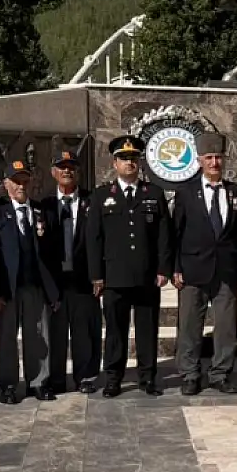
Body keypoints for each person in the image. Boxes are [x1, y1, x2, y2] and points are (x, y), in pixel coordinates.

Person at [86, 135, 174, 397]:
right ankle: (114, 377)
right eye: (124, 159)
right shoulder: (102, 195)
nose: (130, 163)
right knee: (115, 330)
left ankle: (148, 377)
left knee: (147, 329)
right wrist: (96, 276)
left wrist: (163, 269)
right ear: (114, 163)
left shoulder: (153, 193)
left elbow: (164, 235)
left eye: (134, 158)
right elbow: (94, 238)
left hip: (147, 275)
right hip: (115, 276)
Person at [171, 133, 237, 395]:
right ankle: (190, 374)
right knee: (190, 324)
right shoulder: (185, 193)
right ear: (200, 160)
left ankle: (220, 373)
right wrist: (175, 267)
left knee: (226, 326)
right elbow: (176, 233)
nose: (215, 162)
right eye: (209, 158)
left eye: (218, 157)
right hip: (193, 268)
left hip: (227, 270)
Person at [0, 160, 59, 404]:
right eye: (16, 181)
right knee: (7, 338)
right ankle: (8, 385)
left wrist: (53, 291)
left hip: (35, 286)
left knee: (38, 337)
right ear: (6, 183)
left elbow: (52, 253)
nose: (21, 185)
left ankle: (39, 382)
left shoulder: (41, 211)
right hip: (7, 288)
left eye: (25, 180)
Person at [40, 149, 101, 394]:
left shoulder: (92, 201)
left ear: (79, 172)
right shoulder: (43, 206)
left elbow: (100, 240)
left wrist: (99, 274)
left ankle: (85, 376)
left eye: (72, 167)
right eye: (62, 166)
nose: (67, 171)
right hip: (55, 282)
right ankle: (55, 378)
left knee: (85, 331)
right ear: (53, 172)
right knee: (55, 334)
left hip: (84, 279)